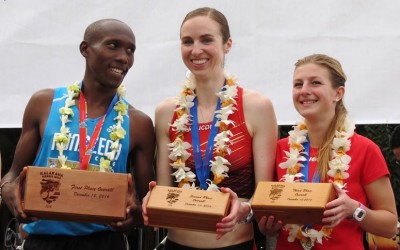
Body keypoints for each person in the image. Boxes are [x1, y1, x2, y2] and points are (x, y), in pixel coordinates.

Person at [0, 19, 155, 250]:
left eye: (130, 50)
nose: (124, 57)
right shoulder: (44, 103)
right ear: (85, 49)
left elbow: (146, 202)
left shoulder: (139, 123)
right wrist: (8, 190)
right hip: (43, 242)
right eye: (113, 45)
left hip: (105, 243)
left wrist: (134, 216)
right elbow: (12, 175)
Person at [142, 7, 277, 250]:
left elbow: (265, 195)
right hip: (176, 244)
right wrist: (152, 200)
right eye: (187, 41)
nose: (196, 50)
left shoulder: (257, 107)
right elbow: (163, 192)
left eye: (206, 40)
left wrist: (244, 210)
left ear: (228, 44)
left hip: (236, 245)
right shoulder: (166, 112)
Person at [258, 53, 398, 249]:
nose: (304, 90)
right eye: (298, 84)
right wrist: (269, 227)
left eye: (315, 82)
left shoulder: (366, 149)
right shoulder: (280, 149)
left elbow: (390, 226)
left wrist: (355, 210)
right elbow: (267, 211)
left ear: (338, 93)